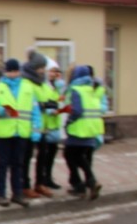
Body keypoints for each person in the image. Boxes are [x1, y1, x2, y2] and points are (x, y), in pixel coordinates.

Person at [0, 57, 42, 208]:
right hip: (4, 133)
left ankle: (17, 194)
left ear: (19, 71)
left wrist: (36, 131)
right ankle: (1, 194)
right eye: (10, 71)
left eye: (15, 71)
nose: (13, 74)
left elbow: (35, 111)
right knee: (2, 164)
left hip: (21, 132)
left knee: (19, 164)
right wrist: (3, 110)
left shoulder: (27, 87)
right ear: (5, 72)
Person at [63, 64, 105, 200]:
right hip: (92, 128)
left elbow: (77, 111)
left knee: (71, 155)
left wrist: (68, 122)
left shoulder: (76, 89)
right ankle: (86, 184)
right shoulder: (92, 89)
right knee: (79, 155)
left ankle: (87, 183)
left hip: (79, 128)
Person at [18, 50, 49, 199]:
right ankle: (25, 185)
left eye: (44, 67)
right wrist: (43, 105)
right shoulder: (26, 82)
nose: (43, 70)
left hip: (43, 125)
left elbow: (47, 98)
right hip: (29, 126)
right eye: (40, 67)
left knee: (43, 156)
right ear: (33, 67)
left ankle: (40, 183)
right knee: (27, 158)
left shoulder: (42, 83)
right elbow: (29, 104)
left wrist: (51, 104)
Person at [35, 60, 65, 193]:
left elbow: (59, 101)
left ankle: (48, 178)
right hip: (44, 126)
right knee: (43, 156)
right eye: (52, 71)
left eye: (56, 71)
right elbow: (43, 103)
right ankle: (41, 180)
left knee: (52, 155)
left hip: (54, 125)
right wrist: (49, 108)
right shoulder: (42, 86)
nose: (54, 74)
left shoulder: (56, 87)